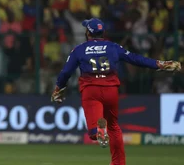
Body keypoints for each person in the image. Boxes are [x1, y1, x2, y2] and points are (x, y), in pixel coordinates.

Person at [51, 18, 181, 165]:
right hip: (111, 91)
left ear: (88, 33)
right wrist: (160, 64)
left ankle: (99, 130)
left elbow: (65, 72)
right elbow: (136, 59)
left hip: (91, 91)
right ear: (103, 33)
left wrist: (58, 88)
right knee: (113, 126)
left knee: (94, 134)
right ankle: (119, 162)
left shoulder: (79, 49)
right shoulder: (113, 47)